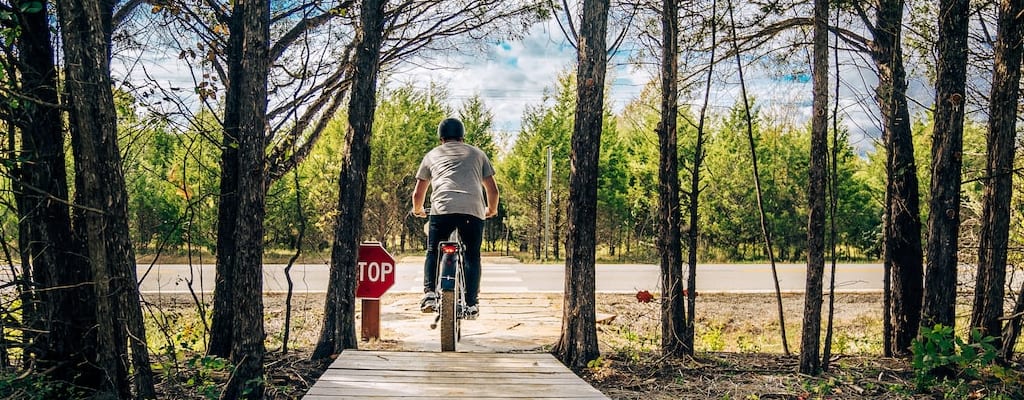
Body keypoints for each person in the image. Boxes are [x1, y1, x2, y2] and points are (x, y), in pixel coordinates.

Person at [411, 117, 499, 320]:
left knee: (433, 250)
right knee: (471, 256)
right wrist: (491, 209)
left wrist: (418, 210)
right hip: (472, 211)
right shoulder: (477, 154)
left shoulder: (432, 155)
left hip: (442, 210)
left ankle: (430, 294)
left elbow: (418, 194)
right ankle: (471, 304)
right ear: (462, 136)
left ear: (441, 138)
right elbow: (492, 190)